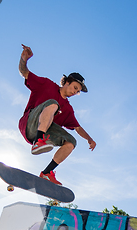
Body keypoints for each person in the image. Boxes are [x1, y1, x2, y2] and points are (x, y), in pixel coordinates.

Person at [18, 44, 96, 186]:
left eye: (77, 91)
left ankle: (47, 172)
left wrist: (89, 139)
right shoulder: (47, 85)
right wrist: (24, 59)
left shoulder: (68, 109)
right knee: (53, 103)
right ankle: (38, 141)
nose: (75, 92)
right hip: (29, 123)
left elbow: (78, 128)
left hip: (46, 131)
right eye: (74, 87)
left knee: (71, 142)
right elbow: (25, 73)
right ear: (66, 82)